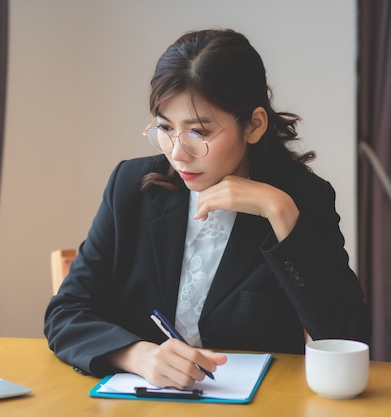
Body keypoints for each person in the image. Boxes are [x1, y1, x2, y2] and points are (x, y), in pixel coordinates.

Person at [43, 29, 372, 390]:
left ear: (254, 125)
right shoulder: (132, 186)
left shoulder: (302, 198)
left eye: (199, 133)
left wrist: (280, 214)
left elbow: (347, 336)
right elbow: (66, 313)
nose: (177, 152)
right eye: (166, 128)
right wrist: (139, 356)